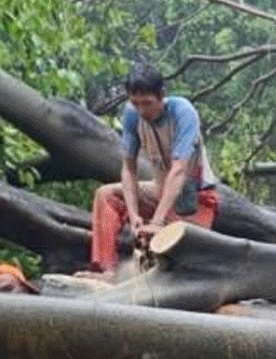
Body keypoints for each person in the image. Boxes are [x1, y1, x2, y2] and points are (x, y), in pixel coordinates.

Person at [90, 62, 219, 275]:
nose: (142, 110)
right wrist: (133, 216)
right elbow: (128, 169)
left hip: (194, 198)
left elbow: (178, 170)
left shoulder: (183, 112)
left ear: (162, 95)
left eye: (147, 103)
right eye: (136, 103)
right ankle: (106, 271)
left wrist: (157, 221)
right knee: (106, 196)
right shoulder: (132, 114)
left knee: (179, 262)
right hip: (159, 191)